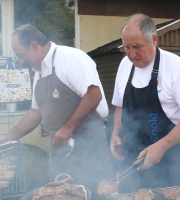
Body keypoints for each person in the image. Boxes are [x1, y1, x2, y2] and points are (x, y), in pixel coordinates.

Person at [0, 24, 114, 194]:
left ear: (34, 45)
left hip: (88, 153)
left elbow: (93, 95)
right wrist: (5, 139)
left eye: (21, 55)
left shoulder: (70, 58)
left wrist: (67, 128)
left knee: (92, 194)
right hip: (61, 156)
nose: (21, 61)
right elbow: (34, 113)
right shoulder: (38, 72)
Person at [110, 13, 180, 193]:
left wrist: (161, 145)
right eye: (127, 47)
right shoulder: (124, 65)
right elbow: (120, 105)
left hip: (172, 158)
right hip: (135, 157)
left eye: (137, 47)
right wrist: (115, 133)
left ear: (154, 39)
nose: (131, 54)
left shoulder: (175, 66)